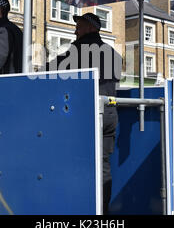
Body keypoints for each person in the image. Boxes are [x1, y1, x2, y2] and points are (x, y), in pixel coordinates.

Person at [47, 12, 122, 215]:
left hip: (87, 116)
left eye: (78, 27)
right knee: (103, 165)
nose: (75, 30)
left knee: (78, 163)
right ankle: (102, 210)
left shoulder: (79, 49)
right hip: (110, 114)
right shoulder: (113, 53)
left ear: (90, 28)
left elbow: (50, 70)